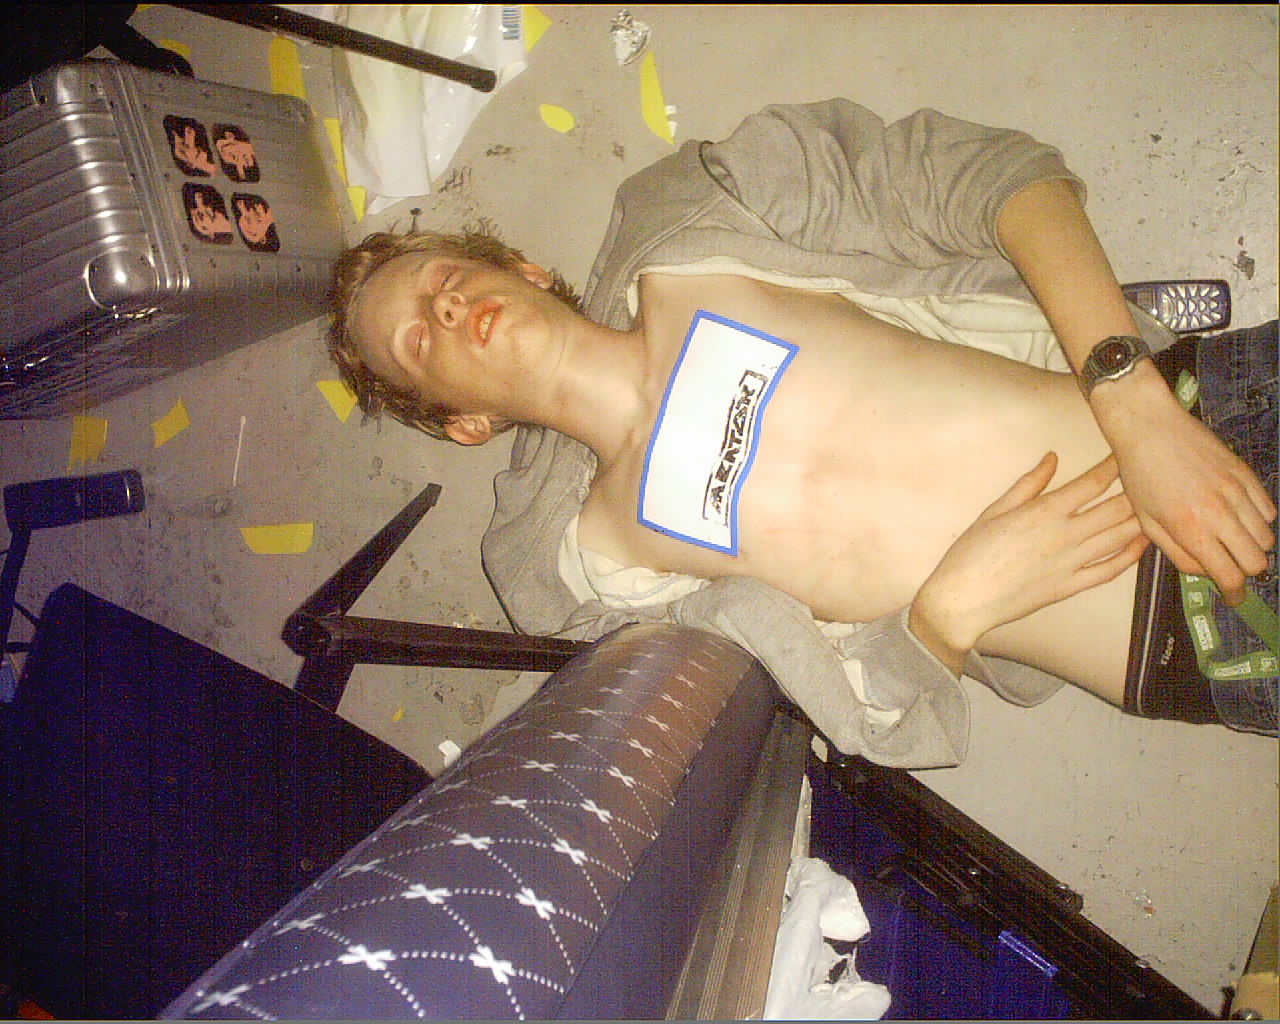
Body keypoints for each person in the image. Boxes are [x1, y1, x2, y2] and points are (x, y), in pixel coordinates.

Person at [328, 99, 1277, 766]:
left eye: (442, 279)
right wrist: (947, 614)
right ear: (465, 424)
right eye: (417, 341)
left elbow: (993, 176)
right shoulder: (593, 570)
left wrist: (1132, 398)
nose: (444, 309)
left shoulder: (695, 217)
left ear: (524, 269)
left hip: (1218, 417)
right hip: (1207, 636)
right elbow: (836, 718)